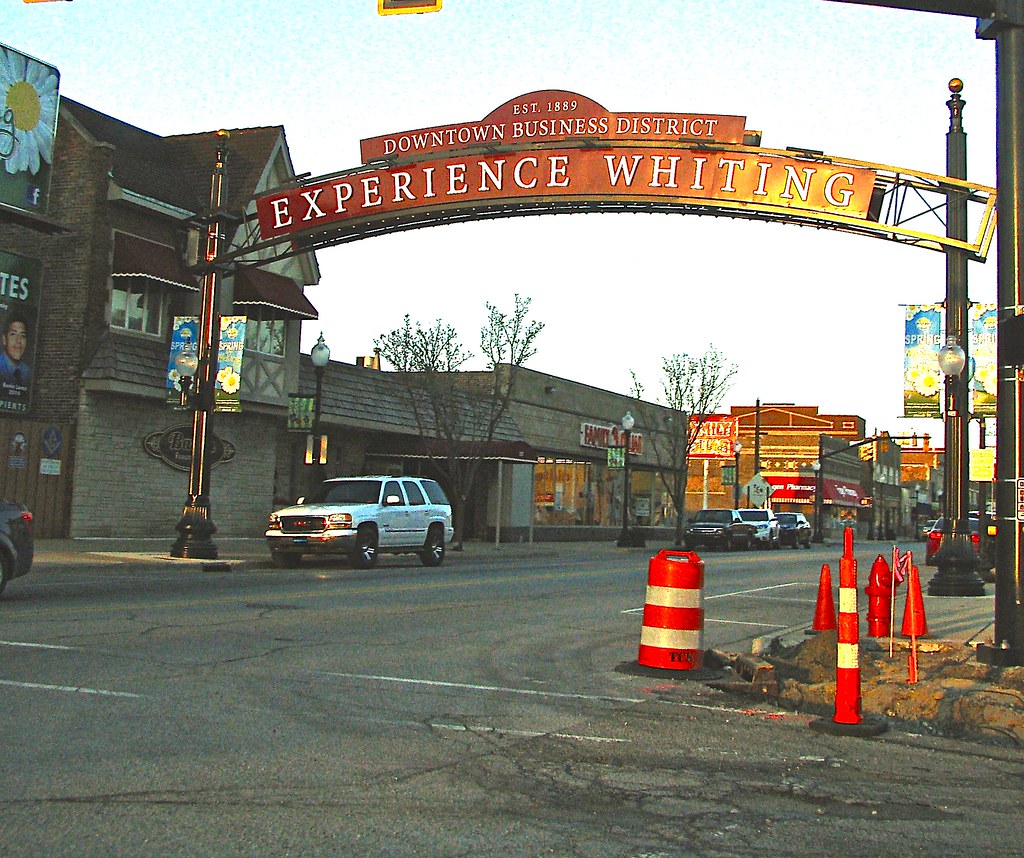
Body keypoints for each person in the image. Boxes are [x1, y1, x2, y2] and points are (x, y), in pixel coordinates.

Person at [0, 311, 30, 387]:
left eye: (22, 336)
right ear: (4, 339)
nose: (19, 341)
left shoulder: (28, 373)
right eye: (13, 334)